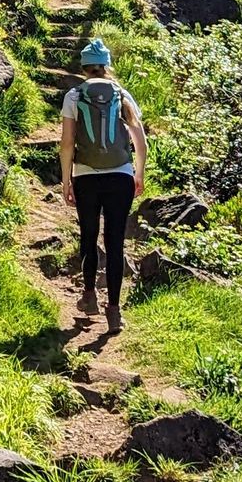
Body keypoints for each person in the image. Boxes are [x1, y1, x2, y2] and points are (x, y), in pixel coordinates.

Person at [59, 37, 147, 335]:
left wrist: (66, 179)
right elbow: (140, 142)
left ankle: (89, 295)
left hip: (86, 176)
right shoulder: (122, 95)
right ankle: (114, 310)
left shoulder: (74, 96)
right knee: (115, 241)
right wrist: (138, 174)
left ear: (84, 67)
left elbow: (67, 143)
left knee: (89, 236)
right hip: (120, 175)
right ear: (106, 65)